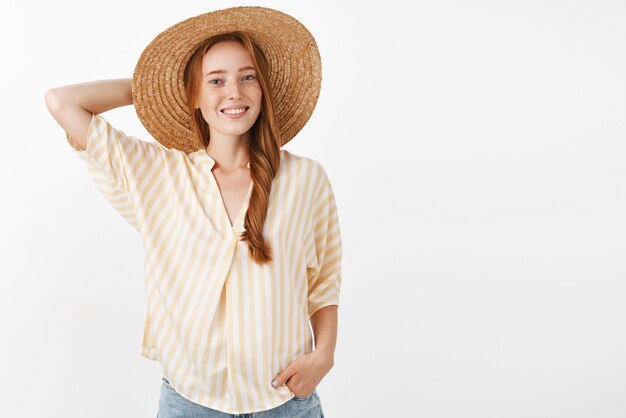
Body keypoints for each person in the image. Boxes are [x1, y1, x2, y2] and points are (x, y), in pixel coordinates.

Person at [44, 6, 341, 418]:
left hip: (286, 402)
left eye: (247, 77)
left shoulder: (307, 178)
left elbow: (324, 280)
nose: (233, 92)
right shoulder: (157, 174)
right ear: (195, 97)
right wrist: (154, 86)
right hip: (189, 405)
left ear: (262, 89)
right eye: (215, 81)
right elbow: (62, 102)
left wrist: (324, 355)